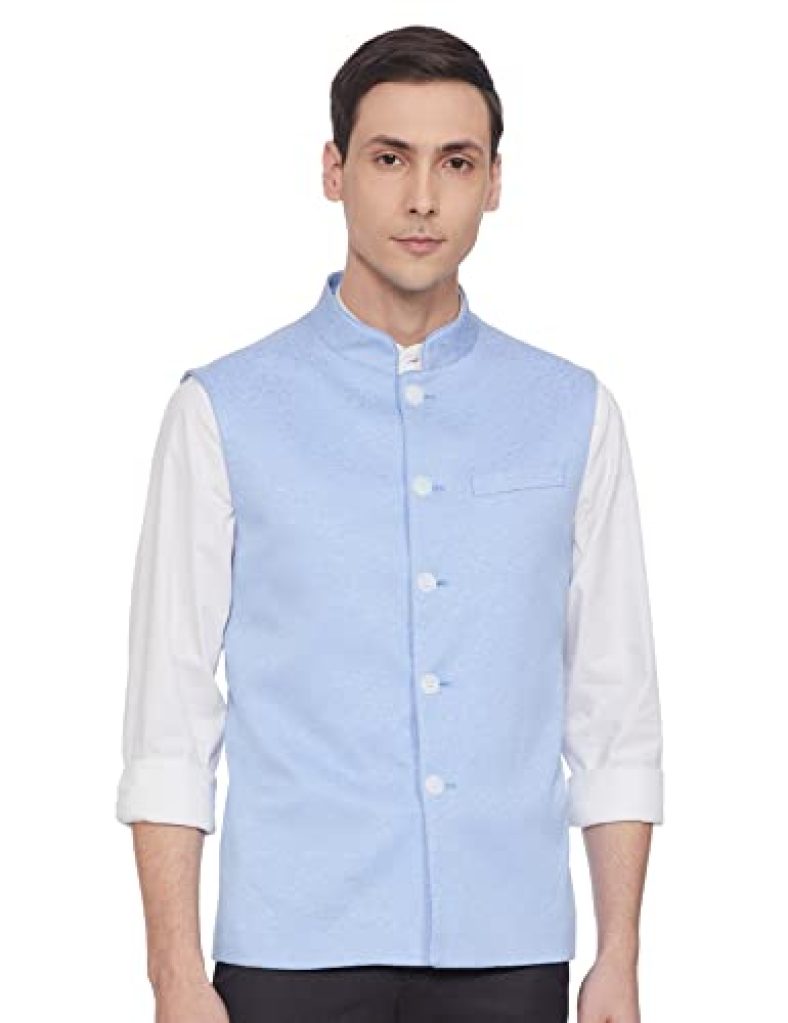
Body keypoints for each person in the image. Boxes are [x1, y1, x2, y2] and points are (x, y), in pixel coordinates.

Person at [116, 24, 664, 1023]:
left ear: (493, 182)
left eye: (455, 162)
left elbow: (612, 703)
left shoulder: (572, 412)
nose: (421, 198)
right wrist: (174, 975)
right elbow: (170, 713)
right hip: (288, 953)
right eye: (388, 158)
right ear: (333, 171)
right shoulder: (222, 412)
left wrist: (618, 955)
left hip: (511, 949)